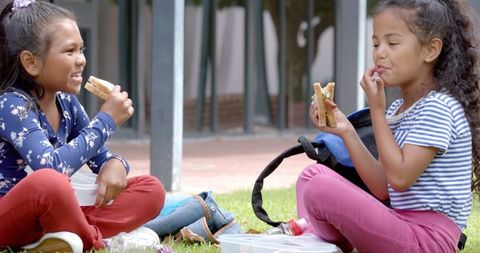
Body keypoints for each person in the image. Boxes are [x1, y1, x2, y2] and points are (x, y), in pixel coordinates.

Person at [297, 0, 480, 252]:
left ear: (431, 50)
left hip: (429, 239)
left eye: (392, 43)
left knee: (319, 188)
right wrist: (345, 129)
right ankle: (324, 241)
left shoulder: (439, 107)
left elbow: (401, 177)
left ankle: (315, 236)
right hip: (400, 224)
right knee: (311, 177)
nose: (380, 53)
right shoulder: (398, 109)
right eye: (376, 43)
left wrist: (377, 111)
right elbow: (383, 187)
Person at [0, 0, 165, 251]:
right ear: (31, 62)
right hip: (11, 217)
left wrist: (116, 164)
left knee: (151, 189)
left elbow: (98, 157)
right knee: (50, 183)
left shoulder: (67, 103)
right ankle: (96, 240)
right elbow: (51, 167)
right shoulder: (11, 105)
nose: (81, 60)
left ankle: (62, 238)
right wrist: (106, 122)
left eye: (81, 49)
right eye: (70, 51)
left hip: (52, 216)